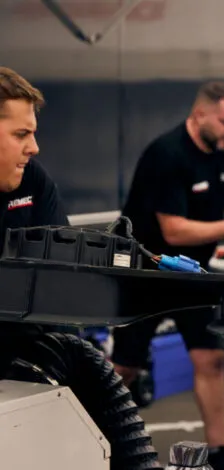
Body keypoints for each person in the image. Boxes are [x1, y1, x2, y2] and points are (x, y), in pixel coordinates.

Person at [0, 67, 162, 468]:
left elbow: (62, 272)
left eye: (33, 133)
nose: (34, 147)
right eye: (21, 135)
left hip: (30, 357)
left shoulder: (31, 180)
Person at [115, 81, 224, 470]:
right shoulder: (166, 155)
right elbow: (174, 231)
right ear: (200, 115)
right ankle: (99, 439)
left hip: (194, 274)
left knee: (211, 359)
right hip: (145, 272)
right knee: (125, 368)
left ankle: (218, 450)